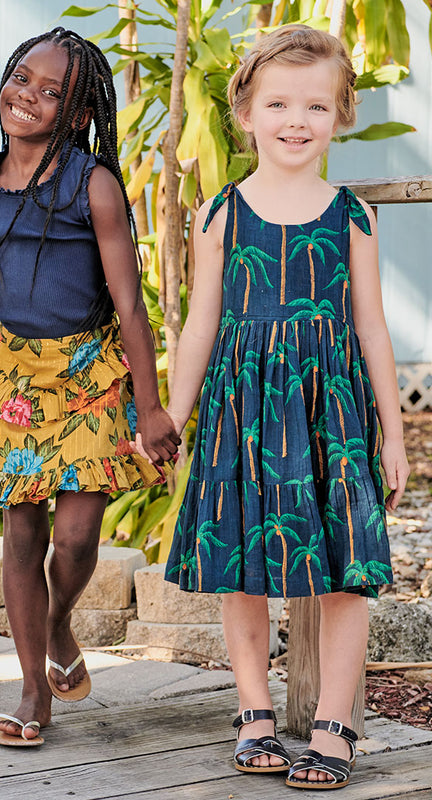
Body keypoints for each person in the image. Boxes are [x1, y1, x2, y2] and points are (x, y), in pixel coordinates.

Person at [163, 24, 409, 789]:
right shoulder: (219, 215)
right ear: (245, 112)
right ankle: (254, 712)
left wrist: (394, 435)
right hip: (242, 414)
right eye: (278, 104)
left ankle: (335, 725)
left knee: (341, 569)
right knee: (242, 564)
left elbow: (372, 328)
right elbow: (200, 325)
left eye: (315, 106)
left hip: (332, 417)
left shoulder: (353, 217)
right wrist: (173, 417)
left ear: (340, 116)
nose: (296, 121)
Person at [0, 27, 180, 747]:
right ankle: (33, 690)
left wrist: (150, 406)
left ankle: (57, 621)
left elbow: (129, 303)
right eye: (21, 77)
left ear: (80, 114)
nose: (27, 95)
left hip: (89, 373)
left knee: (78, 537)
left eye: (51, 91)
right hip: (15, 375)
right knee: (22, 530)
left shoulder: (93, 185)